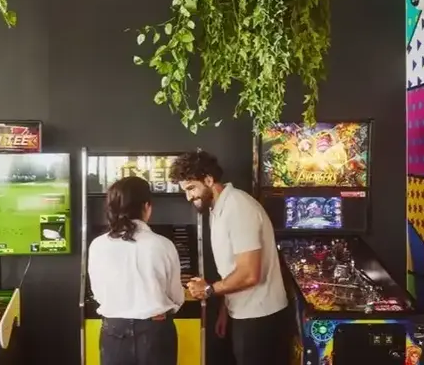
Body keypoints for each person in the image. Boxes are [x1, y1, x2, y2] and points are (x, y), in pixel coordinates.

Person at [169, 150, 289, 365]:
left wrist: (209, 290)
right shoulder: (218, 208)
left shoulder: (238, 207)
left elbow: (249, 274)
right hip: (243, 312)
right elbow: (232, 267)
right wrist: (225, 309)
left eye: (191, 188)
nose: (188, 197)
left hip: (259, 317)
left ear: (208, 180)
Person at [88, 176, 184, 365]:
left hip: (114, 331)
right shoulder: (163, 244)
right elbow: (176, 296)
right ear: (146, 206)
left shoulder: (97, 245)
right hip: (155, 331)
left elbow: (98, 293)